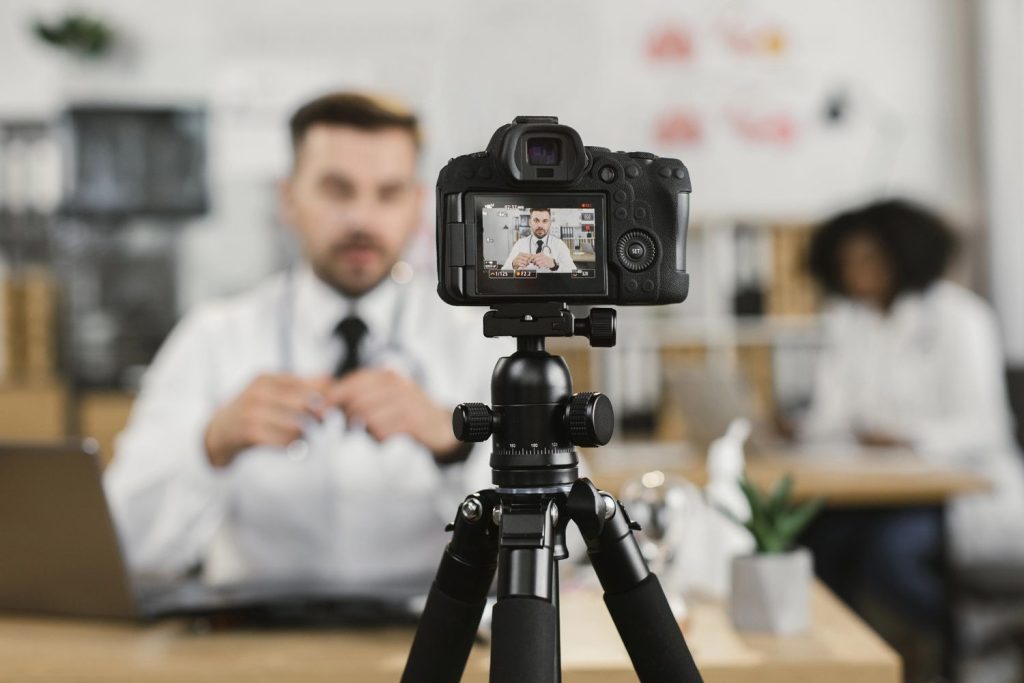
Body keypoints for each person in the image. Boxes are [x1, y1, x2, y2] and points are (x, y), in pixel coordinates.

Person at [104, 92, 507, 585]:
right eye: (338, 190)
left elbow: (563, 542)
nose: (362, 219)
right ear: (288, 197)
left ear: (418, 206)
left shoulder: (481, 342)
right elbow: (119, 543)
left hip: (435, 641)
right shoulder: (213, 339)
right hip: (253, 647)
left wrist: (456, 443)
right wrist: (211, 445)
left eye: (388, 193)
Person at [797, 198, 1024, 629]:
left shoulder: (960, 316)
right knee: (817, 541)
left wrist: (908, 437)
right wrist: (802, 428)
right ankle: (846, 660)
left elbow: (985, 428)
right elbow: (835, 414)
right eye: (847, 260)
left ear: (904, 255)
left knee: (890, 555)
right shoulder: (848, 319)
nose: (855, 271)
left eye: (869, 259)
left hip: (956, 493)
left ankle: (972, 639)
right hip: (878, 489)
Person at [501, 208, 577, 272]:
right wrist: (513, 264)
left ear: (550, 223)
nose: (540, 225)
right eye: (536, 220)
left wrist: (555, 265)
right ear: (530, 222)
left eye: (544, 221)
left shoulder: (559, 245)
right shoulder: (520, 244)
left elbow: (573, 272)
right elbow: (504, 271)